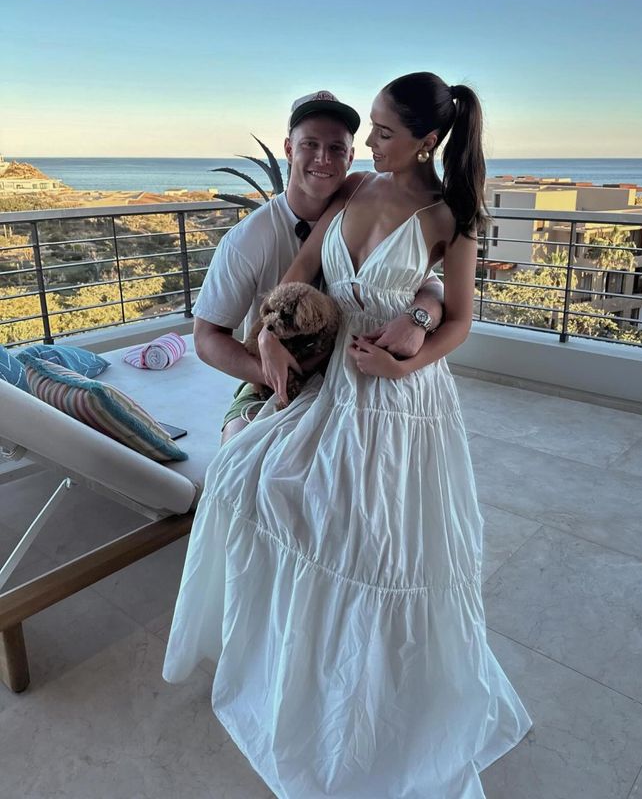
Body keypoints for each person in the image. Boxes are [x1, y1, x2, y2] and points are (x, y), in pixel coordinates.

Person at [163, 72, 532, 798]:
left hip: (400, 398)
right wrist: (271, 332)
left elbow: (459, 317)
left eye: (384, 132)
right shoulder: (358, 190)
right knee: (254, 484)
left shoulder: (449, 214)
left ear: (428, 141)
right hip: (333, 385)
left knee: (377, 545)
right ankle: (294, 671)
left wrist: (410, 357)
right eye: (371, 129)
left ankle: (376, 701)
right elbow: (300, 276)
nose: (367, 143)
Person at [191, 90, 443, 440]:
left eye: (336, 148)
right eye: (310, 144)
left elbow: (424, 281)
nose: (323, 158)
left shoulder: (364, 211)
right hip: (270, 382)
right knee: (239, 451)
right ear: (289, 149)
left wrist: (419, 316)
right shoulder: (249, 238)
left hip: (350, 375)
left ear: (352, 157)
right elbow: (205, 338)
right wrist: (270, 368)